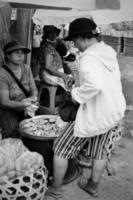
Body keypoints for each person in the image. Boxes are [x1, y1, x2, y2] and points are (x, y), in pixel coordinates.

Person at [46, 18, 126, 198]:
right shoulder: (107, 50)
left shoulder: (89, 57)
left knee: (60, 147)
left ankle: (56, 189)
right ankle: (92, 186)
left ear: (82, 38)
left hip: (95, 113)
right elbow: (102, 80)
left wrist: (75, 95)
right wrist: (80, 83)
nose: (75, 46)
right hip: (112, 111)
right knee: (100, 150)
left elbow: (95, 85)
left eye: (74, 41)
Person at [0, 40, 38, 138]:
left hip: (27, 105)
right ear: (8, 56)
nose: (21, 56)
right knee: (12, 130)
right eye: (17, 52)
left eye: (22, 53)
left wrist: (32, 99)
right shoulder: (2, 74)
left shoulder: (27, 68)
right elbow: (4, 102)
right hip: (9, 109)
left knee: (46, 115)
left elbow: (34, 90)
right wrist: (23, 105)